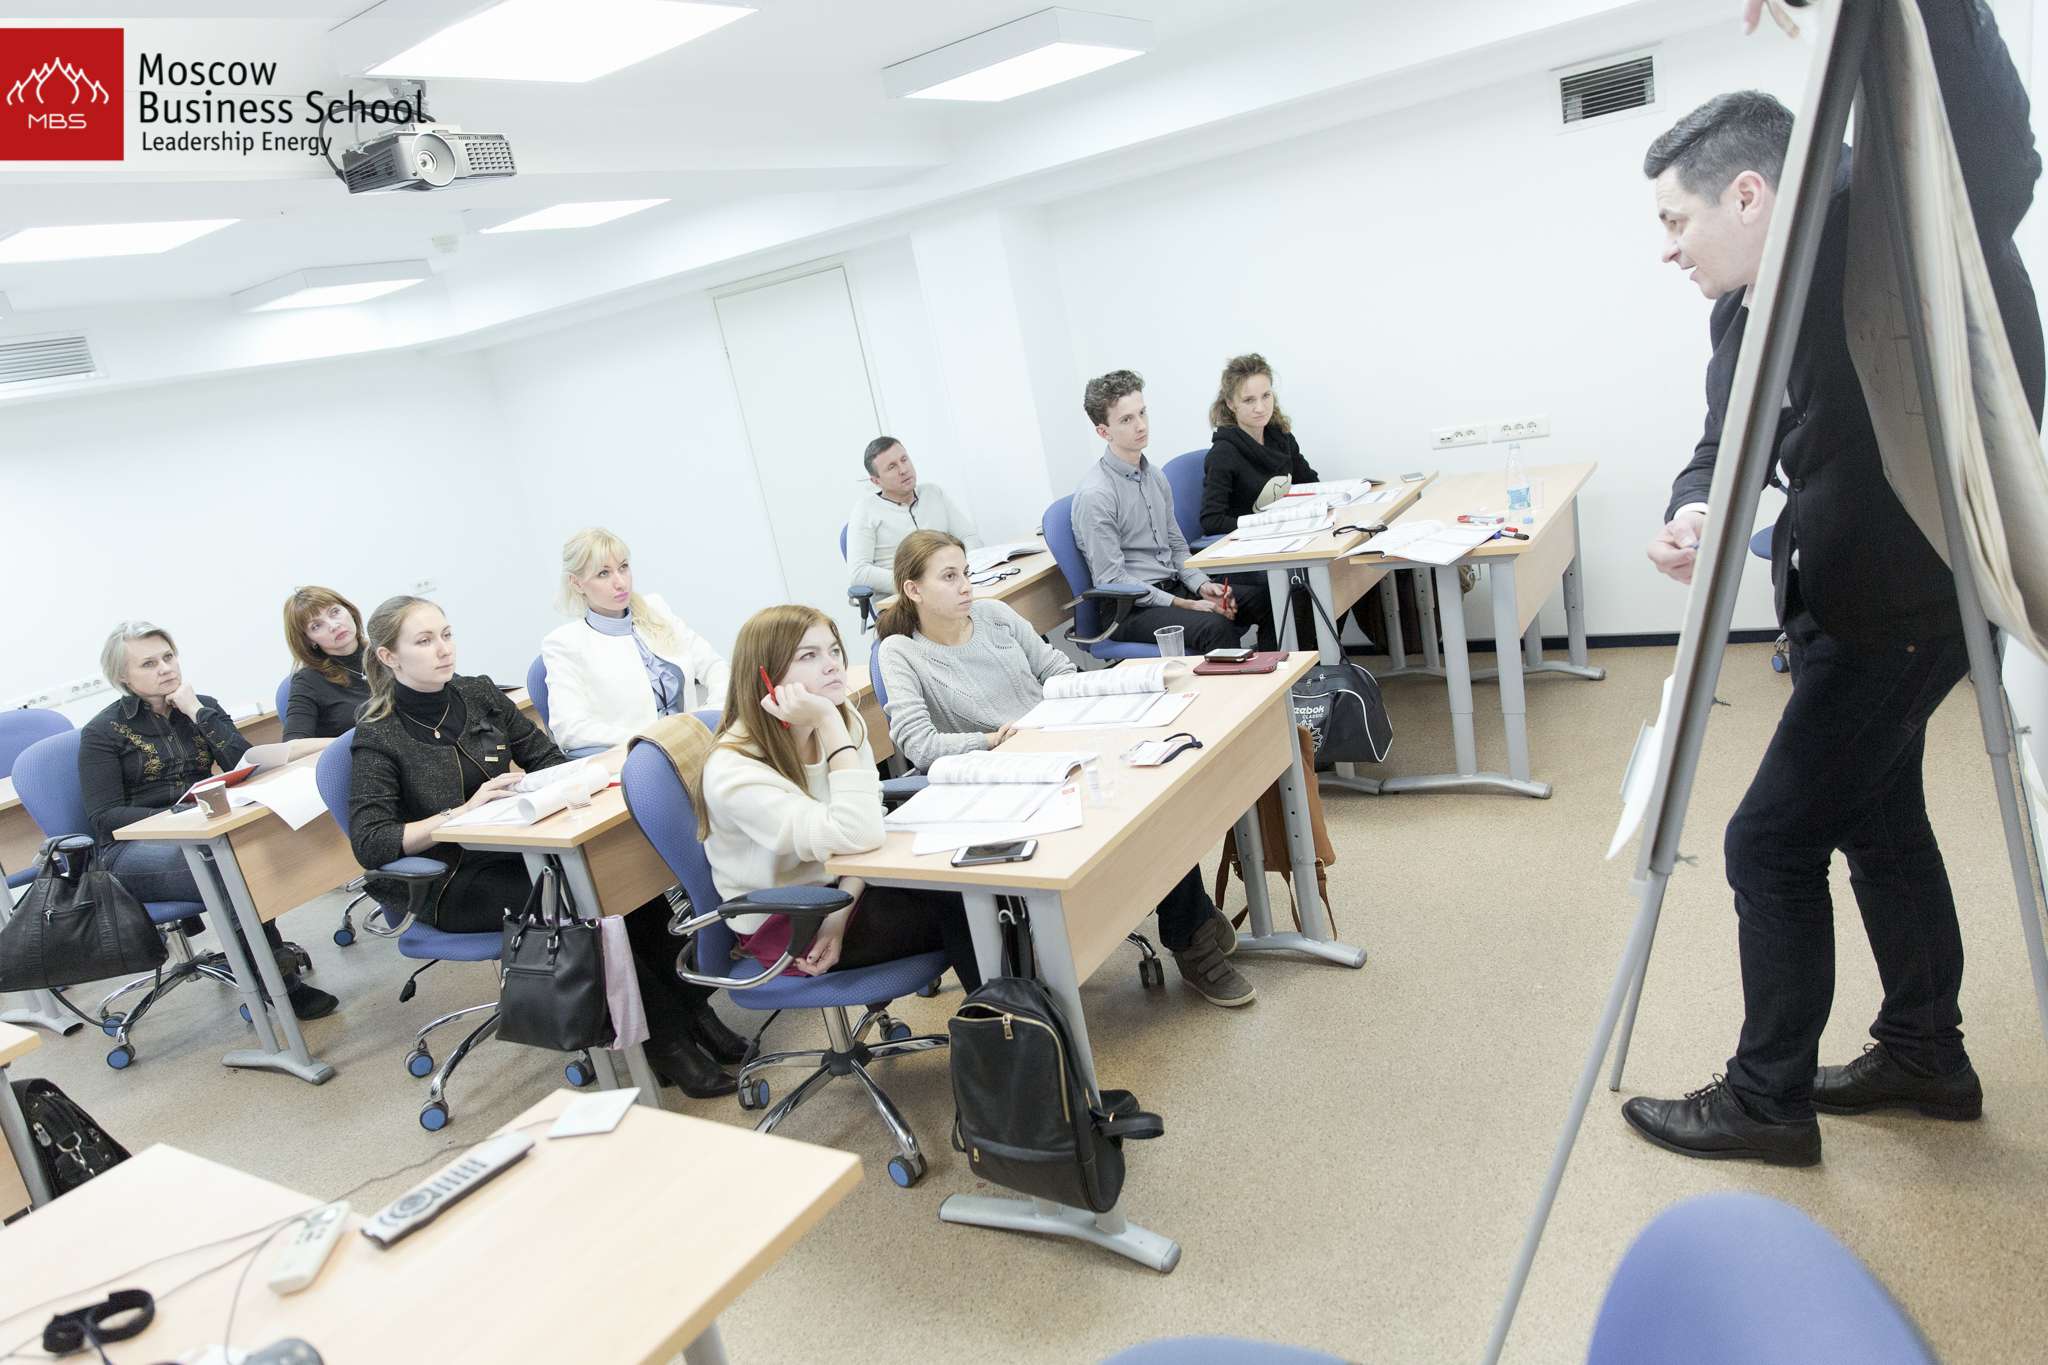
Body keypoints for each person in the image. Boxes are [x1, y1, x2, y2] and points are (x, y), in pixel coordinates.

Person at [1620, 0, 2045, 1167]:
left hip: (1905, 604)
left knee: (1766, 841)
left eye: (1674, 220)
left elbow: (1992, 144)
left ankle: (1765, 1101)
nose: (1667, 247)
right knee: (1879, 822)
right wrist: (1693, 507)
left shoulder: (1884, 217)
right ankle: (1923, 1054)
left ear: (1746, 194)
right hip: (1839, 600)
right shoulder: (1738, 310)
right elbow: (1724, 441)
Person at [346, 595, 742, 1097]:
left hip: (518, 849)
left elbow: (547, 759)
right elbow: (372, 842)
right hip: (450, 879)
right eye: (424, 641)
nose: (443, 649)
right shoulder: (378, 734)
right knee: (581, 900)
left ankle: (697, 1015)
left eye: (446, 634)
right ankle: (667, 1044)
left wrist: (553, 788)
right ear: (389, 657)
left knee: (612, 879)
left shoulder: (477, 692)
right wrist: (459, 814)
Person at [877, 530, 1252, 1005]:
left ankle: (1189, 933)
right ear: (913, 589)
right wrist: (991, 740)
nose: (966, 586)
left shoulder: (993, 615)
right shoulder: (901, 651)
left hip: (1060, 746)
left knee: (1151, 799)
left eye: (966, 573)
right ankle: (1195, 932)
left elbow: (1056, 669)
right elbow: (918, 743)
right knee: (1120, 811)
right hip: (1001, 779)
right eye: (949, 577)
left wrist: (1072, 712)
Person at [696, 603, 982, 990]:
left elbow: (867, 827)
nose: (832, 665)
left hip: (846, 888)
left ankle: (1013, 1011)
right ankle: (1003, 1018)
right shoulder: (735, 770)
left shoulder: (837, 714)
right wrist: (829, 724)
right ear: (765, 675)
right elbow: (859, 832)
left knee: (979, 882)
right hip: (791, 920)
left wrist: (840, 912)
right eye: (808, 656)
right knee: (969, 907)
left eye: (833, 650)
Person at [78, 621, 338, 1020]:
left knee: (253, 853)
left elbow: (245, 764)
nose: (165, 668)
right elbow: (104, 817)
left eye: (168, 657)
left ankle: (263, 967)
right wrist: (182, 814)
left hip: (204, 832)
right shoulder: (102, 732)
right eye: (149, 663)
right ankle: (277, 984)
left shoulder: (200, 706)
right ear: (122, 677)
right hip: (130, 851)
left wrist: (198, 712)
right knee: (227, 868)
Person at [1071, 368, 1273, 654]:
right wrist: (1183, 604)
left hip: (1174, 586)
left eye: (1142, 413)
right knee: (1216, 627)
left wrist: (1202, 586)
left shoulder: (1154, 476)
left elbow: (1177, 547)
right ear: (1104, 432)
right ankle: (1238, 683)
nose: (1141, 426)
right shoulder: (1096, 495)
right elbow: (1112, 580)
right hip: (1129, 609)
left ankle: (1280, 676)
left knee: (1270, 600)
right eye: (1127, 420)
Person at [541, 527, 731, 754]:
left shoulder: (656, 609)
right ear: (576, 583)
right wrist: (652, 739)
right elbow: (569, 728)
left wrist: (711, 714)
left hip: (697, 742)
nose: (620, 582)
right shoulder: (565, 644)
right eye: (603, 573)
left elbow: (715, 666)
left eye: (623, 567)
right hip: (641, 755)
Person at [1199, 352, 1342, 651]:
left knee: (1337, 569)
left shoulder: (1280, 437)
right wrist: (1263, 524)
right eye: (1249, 400)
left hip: (1285, 544)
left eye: (1266, 396)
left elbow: (1310, 484)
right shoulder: (1224, 454)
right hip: (1245, 559)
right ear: (1231, 404)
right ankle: (1283, 664)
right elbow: (1211, 520)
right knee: (1301, 579)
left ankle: (1320, 658)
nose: (1260, 407)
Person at [845, 436, 984, 594]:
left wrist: (963, 572)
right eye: (892, 467)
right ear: (876, 481)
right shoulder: (866, 510)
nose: (903, 470)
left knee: (992, 605)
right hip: (904, 597)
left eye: (904, 460)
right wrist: (917, 585)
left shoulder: (933, 493)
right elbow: (859, 572)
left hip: (953, 588)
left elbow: (969, 537)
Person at [281, 586, 370, 742]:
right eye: (316, 626)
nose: (334, 626)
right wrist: (357, 741)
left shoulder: (387, 652)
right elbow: (293, 744)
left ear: (349, 610)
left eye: (334, 612)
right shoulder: (308, 681)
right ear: (308, 640)